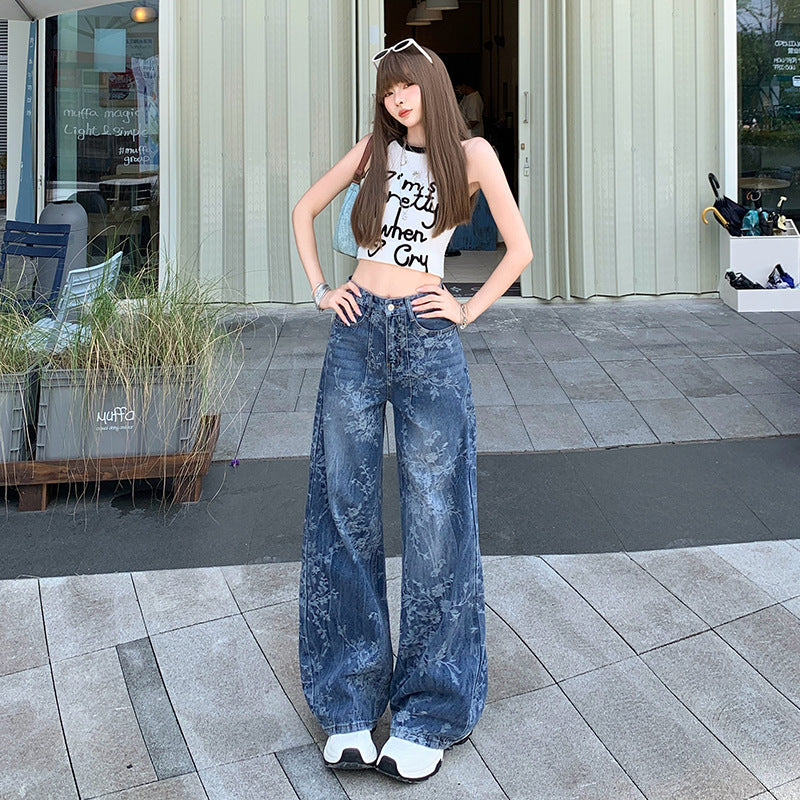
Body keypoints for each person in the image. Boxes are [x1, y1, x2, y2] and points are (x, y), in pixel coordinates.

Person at [291, 38, 532, 784]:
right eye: (388, 90)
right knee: (344, 508)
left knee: (437, 517)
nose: (397, 99)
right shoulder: (373, 151)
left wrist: (466, 309)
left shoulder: (474, 156)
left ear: (432, 85)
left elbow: (519, 249)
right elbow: (304, 209)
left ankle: (430, 709)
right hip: (356, 332)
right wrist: (322, 290)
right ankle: (348, 703)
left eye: (408, 85)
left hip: (429, 338)